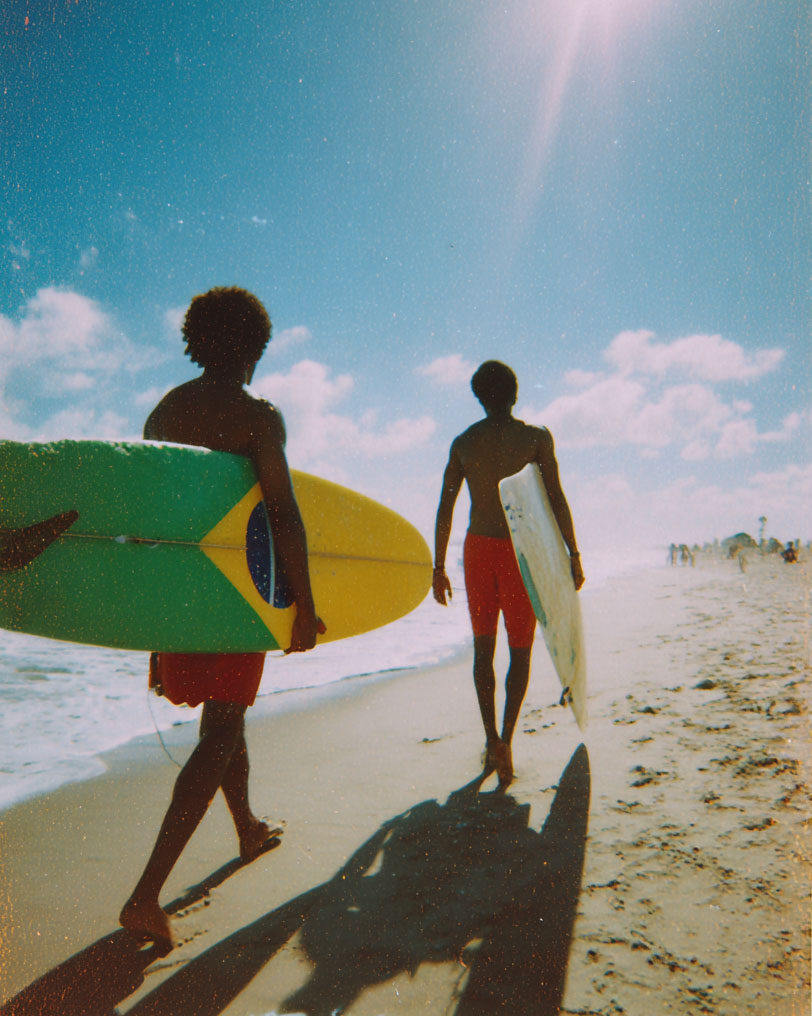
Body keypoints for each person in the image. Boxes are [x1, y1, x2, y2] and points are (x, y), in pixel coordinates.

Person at [119, 286, 321, 948]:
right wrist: (305, 604)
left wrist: (150, 624)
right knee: (223, 729)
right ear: (255, 349)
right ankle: (147, 896)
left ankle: (247, 829)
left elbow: (149, 520)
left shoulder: (164, 411)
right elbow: (282, 514)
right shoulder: (258, 416)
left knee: (225, 721)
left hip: (178, 593)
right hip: (234, 595)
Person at [432, 361, 583, 789]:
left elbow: (445, 507)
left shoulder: (463, 442)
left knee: (483, 651)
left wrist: (439, 567)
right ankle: (508, 741)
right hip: (523, 554)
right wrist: (573, 552)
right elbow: (555, 496)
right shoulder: (535, 438)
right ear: (515, 393)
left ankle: (490, 738)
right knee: (520, 651)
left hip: (478, 552)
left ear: (479, 398)